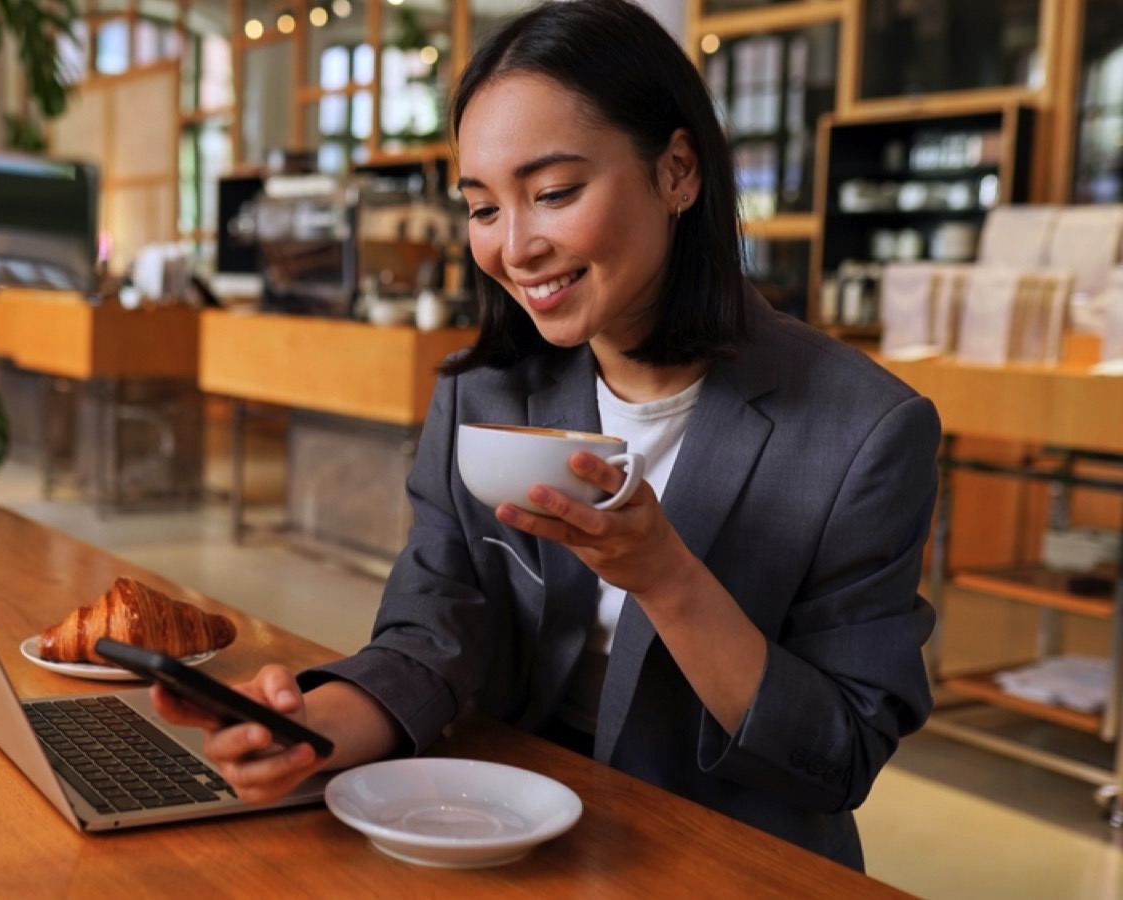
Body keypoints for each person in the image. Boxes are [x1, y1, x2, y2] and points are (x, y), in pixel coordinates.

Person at [153, 0, 939, 870]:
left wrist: (666, 579)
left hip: (724, 856)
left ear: (678, 171)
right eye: (484, 207)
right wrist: (309, 733)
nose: (515, 247)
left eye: (555, 193)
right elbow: (432, 633)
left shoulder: (864, 431)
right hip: (499, 828)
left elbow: (841, 753)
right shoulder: (482, 391)